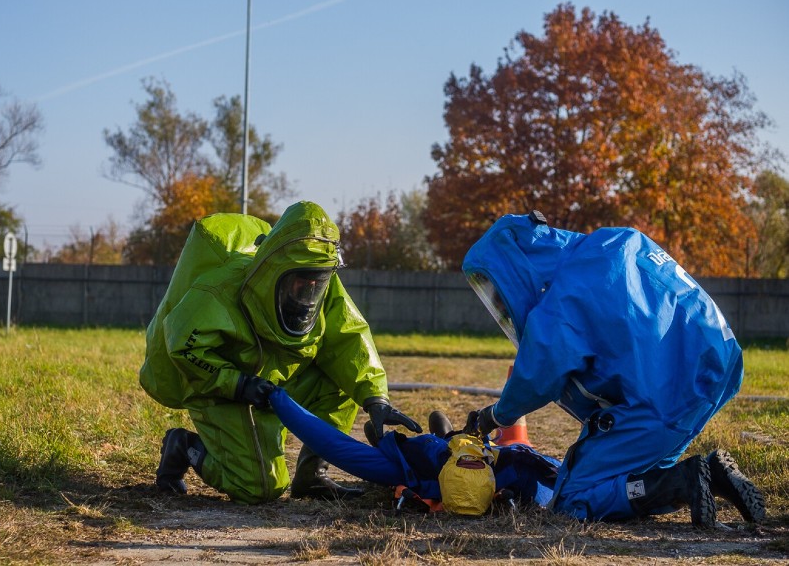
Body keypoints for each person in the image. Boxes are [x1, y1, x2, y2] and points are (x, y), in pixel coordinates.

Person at [461, 210, 765, 527]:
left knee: (572, 498)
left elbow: (538, 375)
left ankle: (682, 482)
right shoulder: (613, 241)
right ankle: (711, 474)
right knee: (635, 473)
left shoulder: (561, 301)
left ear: (515, 265)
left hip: (665, 393)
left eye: (497, 294)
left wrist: (495, 416)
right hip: (717, 364)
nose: (500, 307)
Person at [139, 201, 421, 504]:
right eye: (300, 282)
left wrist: (375, 398)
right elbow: (184, 347)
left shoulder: (324, 285)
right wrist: (239, 384)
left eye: (316, 282)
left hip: (274, 382)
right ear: (273, 271)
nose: (308, 292)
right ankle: (183, 446)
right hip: (223, 388)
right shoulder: (220, 289)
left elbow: (350, 340)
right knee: (258, 488)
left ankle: (313, 474)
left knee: (338, 385)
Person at [243, 380, 561, 516]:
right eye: (474, 462)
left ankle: (382, 440)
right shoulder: (510, 467)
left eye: (462, 462)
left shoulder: (417, 471)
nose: (468, 459)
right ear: (491, 478)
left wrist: (277, 398)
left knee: (390, 448)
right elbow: (559, 476)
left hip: (420, 453)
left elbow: (334, 446)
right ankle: (433, 434)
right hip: (451, 442)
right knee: (440, 424)